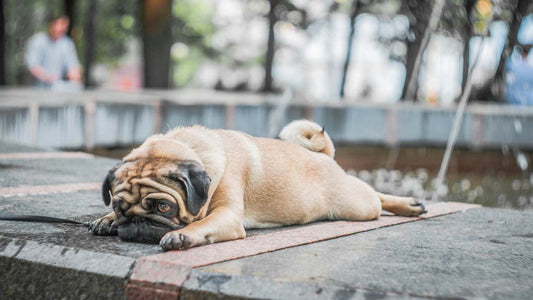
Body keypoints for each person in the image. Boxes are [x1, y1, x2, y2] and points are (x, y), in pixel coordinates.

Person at [25, 15, 82, 90]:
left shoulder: (67, 44)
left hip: (58, 90)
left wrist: (75, 77)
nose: (63, 28)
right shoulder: (38, 41)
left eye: (65, 25)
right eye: (60, 24)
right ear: (51, 24)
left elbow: (73, 67)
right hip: (38, 90)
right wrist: (48, 78)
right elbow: (33, 66)